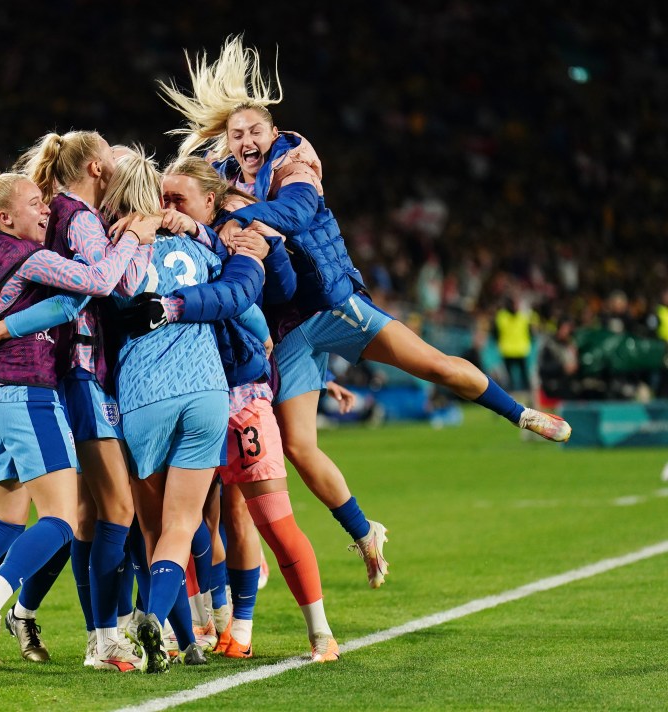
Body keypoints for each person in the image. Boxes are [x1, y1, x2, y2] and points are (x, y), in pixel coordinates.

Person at [159, 37, 572, 584]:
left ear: (273, 131)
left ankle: (521, 414)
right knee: (300, 448)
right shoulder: (222, 175)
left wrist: (235, 218)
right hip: (287, 329)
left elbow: (302, 209)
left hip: (334, 304)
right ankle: (363, 533)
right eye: (237, 135)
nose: (248, 141)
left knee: (434, 366)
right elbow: (185, 191)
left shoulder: (294, 154)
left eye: (255, 131)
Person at [0, 165, 155, 672]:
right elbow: (98, 281)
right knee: (63, 519)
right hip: (25, 391)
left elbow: (63, 303)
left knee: (2, 523)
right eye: (33, 204)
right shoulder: (26, 254)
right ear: (6, 216)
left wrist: (6, 325)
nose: (45, 209)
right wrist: (133, 236)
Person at [157, 155, 339, 662]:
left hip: (239, 397)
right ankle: (201, 627)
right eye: (163, 199)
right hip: (186, 396)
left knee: (266, 521)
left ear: (209, 202)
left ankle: (318, 632)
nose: (167, 208)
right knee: (189, 523)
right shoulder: (156, 241)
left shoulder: (235, 238)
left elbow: (269, 291)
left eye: (180, 200)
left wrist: (270, 246)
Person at [99, 148, 264, 673]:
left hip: (143, 395)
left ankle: (165, 630)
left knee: (151, 532)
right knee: (183, 525)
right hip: (205, 393)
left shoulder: (116, 247)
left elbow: (99, 293)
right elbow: (236, 281)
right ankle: (184, 637)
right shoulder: (201, 247)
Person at [8, 131, 152, 671]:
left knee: (88, 516)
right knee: (116, 508)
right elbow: (111, 284)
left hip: (79, 368)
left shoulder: (63, 213)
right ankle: (104, 638)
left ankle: (76, 628)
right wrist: (138, 238)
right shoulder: (82, 216)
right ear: (95, 167)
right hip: (81, 370)